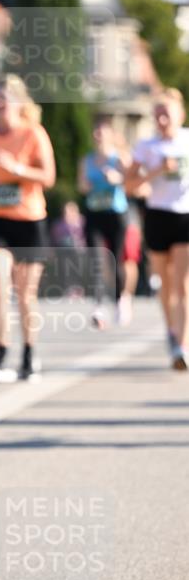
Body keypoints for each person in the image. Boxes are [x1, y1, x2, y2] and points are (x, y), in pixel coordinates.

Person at [0, 74, 56, 381]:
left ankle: (30, 355)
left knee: (24, 294)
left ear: (19, 102)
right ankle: (2, 354)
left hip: (30, 219)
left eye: (5, 98)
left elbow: (48, 177)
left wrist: (16, 169)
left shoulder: (34, 133)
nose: (0, 104)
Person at [130, 88, 189, 370]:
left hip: (185, 216)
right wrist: (156, 171)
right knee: (165, 284)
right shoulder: (146, 146)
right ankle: (171, 330)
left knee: (183, 283)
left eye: (167, 113)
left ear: (180, 114)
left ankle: (183, 346)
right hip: (157, 215)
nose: (162, 118)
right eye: (158, 114)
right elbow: (129, 185)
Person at [77, 116, 130, 329]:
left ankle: (120, 300)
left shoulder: (120, 158)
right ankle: (98, 305)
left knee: (115, 260)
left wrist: (116, 178)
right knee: (96, 260)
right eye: (95, 131)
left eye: (102, 131)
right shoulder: (86, 160)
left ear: (110, 134)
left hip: (116, 214)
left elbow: (132, 181)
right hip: (94, 213)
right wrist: (87, 185)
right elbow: (80, 186)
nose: (98, 135)